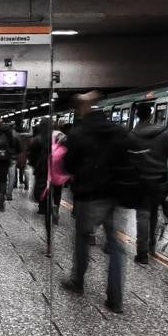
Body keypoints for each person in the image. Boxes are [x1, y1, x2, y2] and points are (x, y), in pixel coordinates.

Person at [60, 93, 132, 312]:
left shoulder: (78, 133)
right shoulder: (119, 131)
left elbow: (69, 166)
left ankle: (78, 282)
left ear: (83, 110)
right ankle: (115, 300)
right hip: (116, 196)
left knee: (82, 240)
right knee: (117, 247)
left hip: (89, 195)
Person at [130, 104, 168, 265]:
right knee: (153, 212)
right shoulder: (162, 133)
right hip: (160, 179)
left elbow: (129, 160)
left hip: (141, 179)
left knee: (142, 214)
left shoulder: (133, 135)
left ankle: (142, 253)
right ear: (151, 115)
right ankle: (152, 242)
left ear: (137, 116)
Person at [28, 118, 67, 243]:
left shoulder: (36, 139)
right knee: (57, 190)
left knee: (44, 192)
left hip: (43, 172)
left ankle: (45, 210)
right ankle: (55, 207)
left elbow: (32, 158)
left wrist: (37, 166)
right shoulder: (57, 136)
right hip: (57, 170)